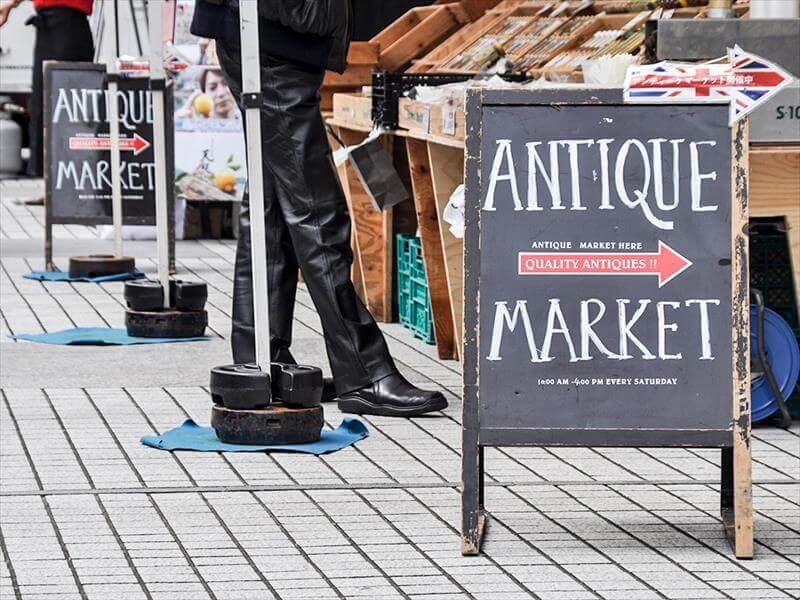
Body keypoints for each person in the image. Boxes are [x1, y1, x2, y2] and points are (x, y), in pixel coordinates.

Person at [191, 0, 448, 417]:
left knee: (270, 205)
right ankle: (365, 374)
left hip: (269, 37)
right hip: (271, 39)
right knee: (317, 213)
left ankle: (259, 361)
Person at [0, 0, 94, 178]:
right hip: (48, 25)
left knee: (67, 108)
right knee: (43, 105)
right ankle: (49, 186)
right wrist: (11, 4)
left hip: (68, 25)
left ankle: (71, 184)